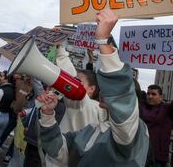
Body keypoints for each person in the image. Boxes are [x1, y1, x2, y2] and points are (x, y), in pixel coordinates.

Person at [38, 9, 149, 167]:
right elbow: (61, 151)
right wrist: (48, 115)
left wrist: (103, 41)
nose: (106, 91)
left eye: (80, 81)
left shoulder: (133, 131)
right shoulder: (93, 128)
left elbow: (120, 96)